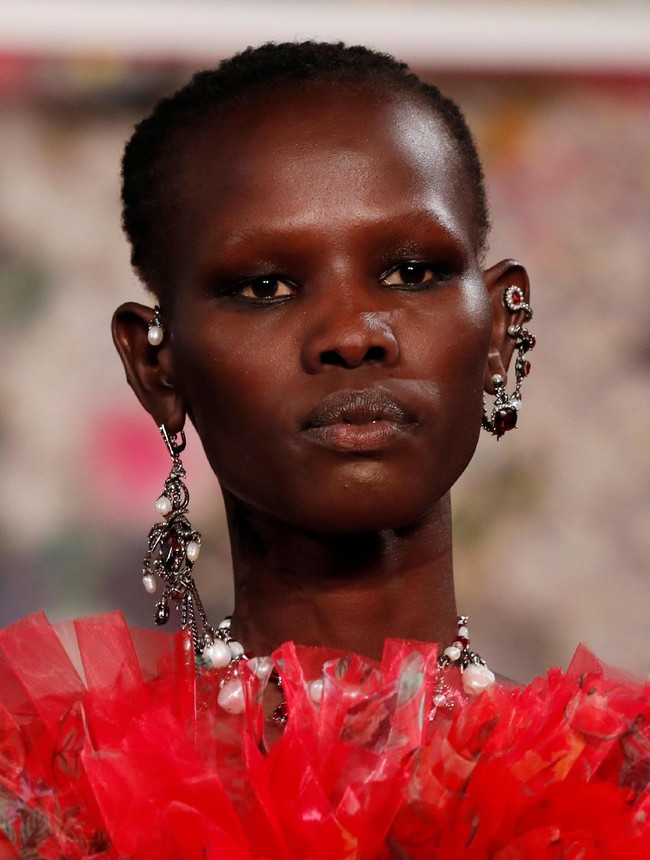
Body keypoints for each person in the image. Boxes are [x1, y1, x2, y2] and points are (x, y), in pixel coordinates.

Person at [0, 42, 647, 859]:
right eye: (264, 286)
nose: (352, 335)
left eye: (412, 272)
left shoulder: (622, 791)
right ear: (156, 365)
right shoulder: (45, 806)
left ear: (500, 329)